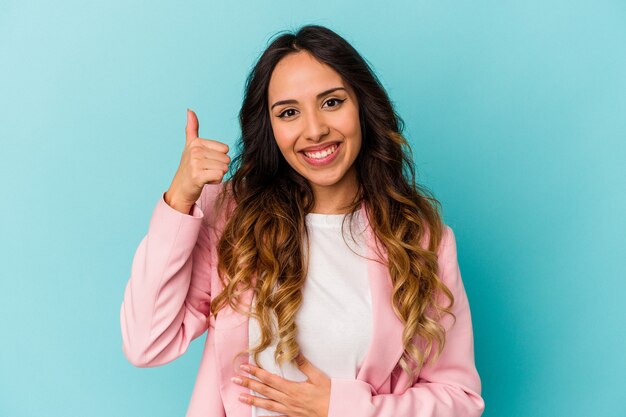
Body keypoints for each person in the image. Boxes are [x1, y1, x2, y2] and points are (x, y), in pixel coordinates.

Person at [120, 24, 485, 417]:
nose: (314, 130)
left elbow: (460, 399)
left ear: (362, 106)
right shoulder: (230, 219)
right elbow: (147, 342)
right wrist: (180, 198)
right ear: (270, 127)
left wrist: (341, 407)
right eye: (289, 112)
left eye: (331, 102)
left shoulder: (419, 239)